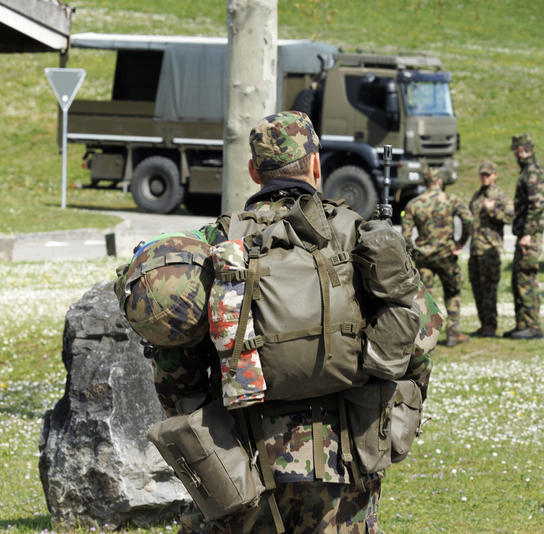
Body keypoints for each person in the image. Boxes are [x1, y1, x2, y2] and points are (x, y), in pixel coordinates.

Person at [147, 111, 433, 534]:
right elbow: (417, 336)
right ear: (316, 165)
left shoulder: (218, 242)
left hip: (239, 461)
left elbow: (175, 359)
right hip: (345, 462)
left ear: (253, 171)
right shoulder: (356, 232)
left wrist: (197, 418)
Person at [401, 167, 473, 347]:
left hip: (424, 257)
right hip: (446, 256)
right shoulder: (451, 199)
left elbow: (405, 235)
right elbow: (468, 219)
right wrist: (460, 242)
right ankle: (453, 333)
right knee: (453, 291)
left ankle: (426, 338)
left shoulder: (414, 204)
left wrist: (413, 253)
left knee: (425, 297)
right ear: (440, 181)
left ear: (425, 183)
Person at [504, 133, 544, 340]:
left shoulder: (532, 173)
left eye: (515, 151)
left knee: (526, 280)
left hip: (529, 236)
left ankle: (532, 326)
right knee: (518, 279)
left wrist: (528, 234)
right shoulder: (527, 172)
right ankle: (522, 324)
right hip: (524, 234)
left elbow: (537, 204)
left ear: (521, 150)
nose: (514, 155)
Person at [468, 160, 514, 338]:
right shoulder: (478, 195)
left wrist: (493, 209)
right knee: (477, 287)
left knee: (489, 289)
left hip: (490, 249)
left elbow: (510, 217)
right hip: (475, 248)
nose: (485, 177)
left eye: (488, 174)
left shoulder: (500, 196)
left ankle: (491, 325)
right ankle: (484, 323)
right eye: (482, 174)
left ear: (495, 175)